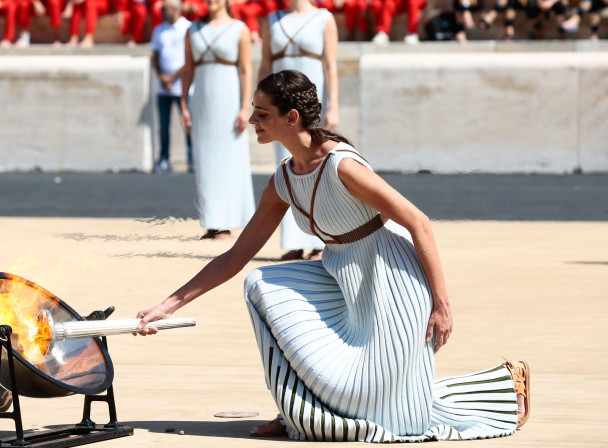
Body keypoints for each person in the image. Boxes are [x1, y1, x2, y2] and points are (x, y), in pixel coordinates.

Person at [135, 69, 530, 441]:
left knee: (397, 420)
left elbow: (418, 222)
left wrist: (441, 305)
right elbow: (235, 257)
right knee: (260, 282)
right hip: (340, 278)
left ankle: (500, 387)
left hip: (394, 283)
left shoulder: (343, 166)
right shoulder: (282, 181)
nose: (253, 121)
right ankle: (294, 408)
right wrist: (165, 306)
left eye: (262, 114)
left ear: (291, 117)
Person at [259, 0, 337, 261]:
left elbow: (330, 65)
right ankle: (293, 241)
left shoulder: (324, 18)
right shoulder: (271, 20)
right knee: (286, 167)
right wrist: (260, 105)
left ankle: (319, 241)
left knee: (316, 166)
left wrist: (333, 104)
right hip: (280, 105)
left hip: (312, 102)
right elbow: (265, 64)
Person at [181, 0, 255, 240]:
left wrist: (245, 106)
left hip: (230, 100)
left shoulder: (239, 29)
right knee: (205, 161)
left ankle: (227, 222)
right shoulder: (192, 31)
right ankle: (212, 222)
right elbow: (188, 69)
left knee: (231, 158)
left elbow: (245, 70)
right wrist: (183, 104)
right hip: (202, 101)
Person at [151, 0, 193, 173]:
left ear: (175, 9)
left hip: (184, 87)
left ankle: (192, 159)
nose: (161, 12)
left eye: (165, 8)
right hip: (164, 88)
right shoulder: (158, 30)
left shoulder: (188, 28)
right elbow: (154, 55)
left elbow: (191, 59)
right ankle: (163, 159)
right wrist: (162, 77)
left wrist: (174, 77)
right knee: (163, 126)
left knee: (188, 124)